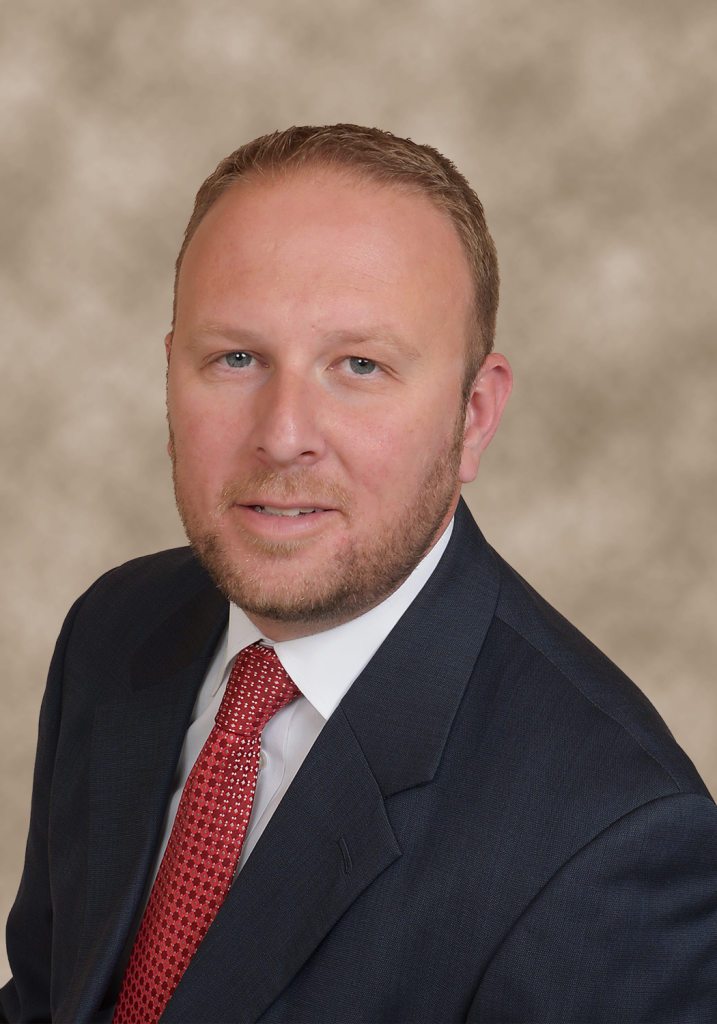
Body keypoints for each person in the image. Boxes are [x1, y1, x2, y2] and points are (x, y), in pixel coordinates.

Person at [2, 124, 716, 1024]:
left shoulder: (614, 842)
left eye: (359, 366)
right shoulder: (116, 629)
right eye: (235, 358)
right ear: (169, 370)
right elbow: (43, 995)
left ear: (474, 415)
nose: (283, 431)